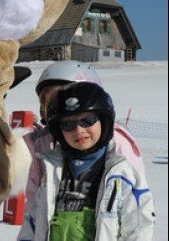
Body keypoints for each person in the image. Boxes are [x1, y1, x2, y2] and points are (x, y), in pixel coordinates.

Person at [17, 82, 154, 241]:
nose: (79, 130)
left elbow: (139, 226)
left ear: (104, 120)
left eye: (88, 120)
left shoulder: (121, 174)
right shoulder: (53, 171)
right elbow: (34, 220)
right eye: (68, 124)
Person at [22, 61, 144, 205]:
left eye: (62, 98)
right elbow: (34, 197)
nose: (56, 108)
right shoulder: (41, 143)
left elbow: (135, 199)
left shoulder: (116, 141)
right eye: (47, 103)